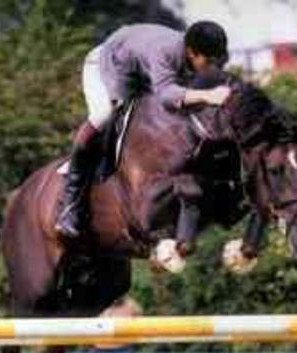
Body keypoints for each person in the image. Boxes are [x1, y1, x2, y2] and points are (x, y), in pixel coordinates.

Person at [56, 21, 232, 238]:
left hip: (139, 70)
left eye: (218, 61)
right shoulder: (165, 51)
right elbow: (167, 94)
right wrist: (208, 95)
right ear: (191, 52)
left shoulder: (197, 55)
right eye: (209, 61)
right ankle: (70, 204)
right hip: (106, 65)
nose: (213, 68)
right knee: (105, 114)